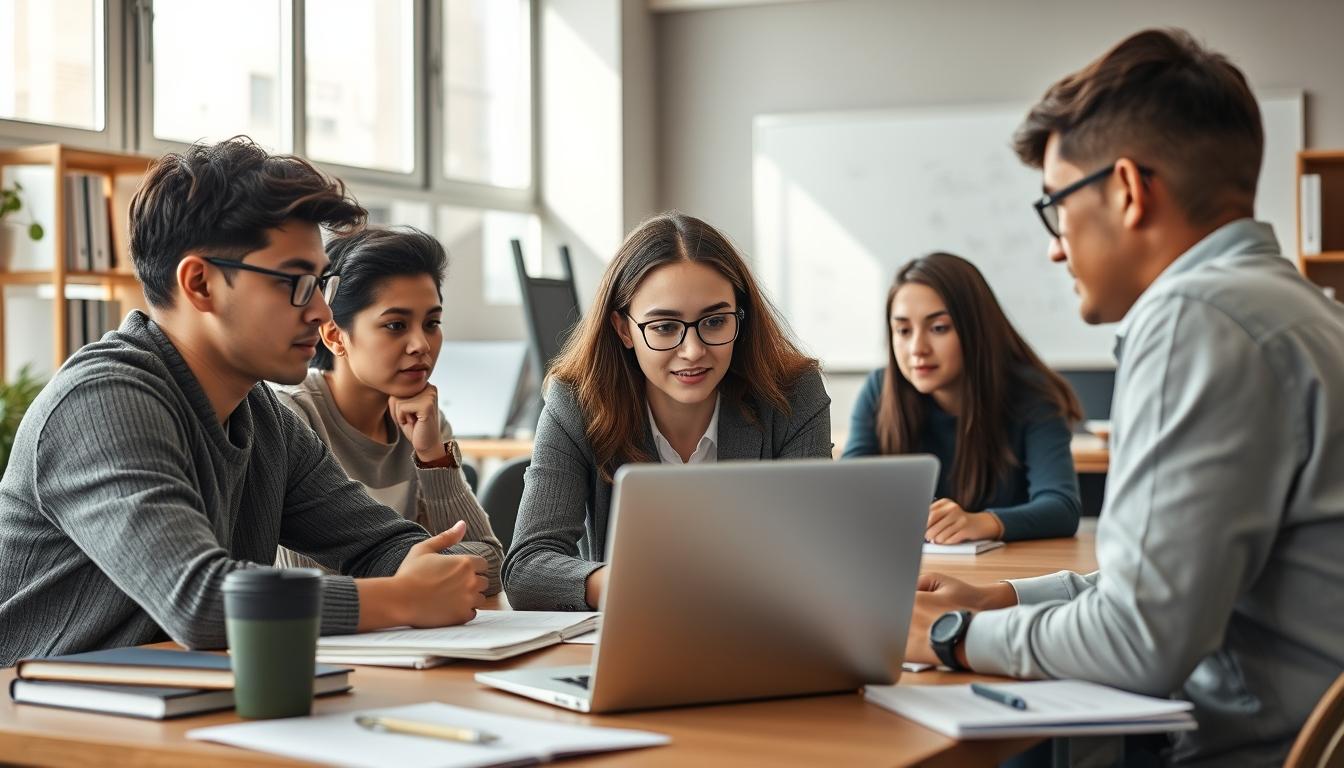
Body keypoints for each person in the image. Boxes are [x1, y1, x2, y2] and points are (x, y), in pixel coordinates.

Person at [904, 29, 1344, 766]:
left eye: (1055, 208)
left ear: (1129, 191)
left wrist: (948, 636)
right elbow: (1174, 579)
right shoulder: (1298, 312)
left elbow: (1142, 641)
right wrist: (1004, 601)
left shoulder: (1195, 319)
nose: (1054, 246)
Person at [0, 138, 489, 668]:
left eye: (321, 283)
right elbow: (201, 602)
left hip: (176, 705)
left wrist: (429, 568)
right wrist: (402, 597)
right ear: (201, 283)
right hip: (43, 723)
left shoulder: (264, 419)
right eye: (297, 283)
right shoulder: (99, 403)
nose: (322, 309)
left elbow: (381, 545)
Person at [503, 212, 833, 611]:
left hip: (762, 636)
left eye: (714, 321)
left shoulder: (793, 394)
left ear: (739, 318)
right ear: (624, 329)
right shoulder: (577, 402)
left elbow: (817, 554)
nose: (693, 350)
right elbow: (526, 570)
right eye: (663, 327)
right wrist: (633, 583)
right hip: (632, 644)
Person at [272, 227, 503, 593]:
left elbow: (489, 566)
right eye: (395, 325)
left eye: (432, 323)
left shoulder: (424, 419)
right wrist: (418, 571)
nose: (421, 345)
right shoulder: (292, 418)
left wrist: (431, 457)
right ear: (334, 336)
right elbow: (312, 584)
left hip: (402, 641)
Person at [843, 252, 1081, 543]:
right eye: (903, 330)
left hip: (1002, 578)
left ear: (975, 329)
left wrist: (984, 522)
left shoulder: (1031, 395)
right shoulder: (880, 390)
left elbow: (1062, 508)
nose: (917, 348)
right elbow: (850, 494)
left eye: (939, 328)